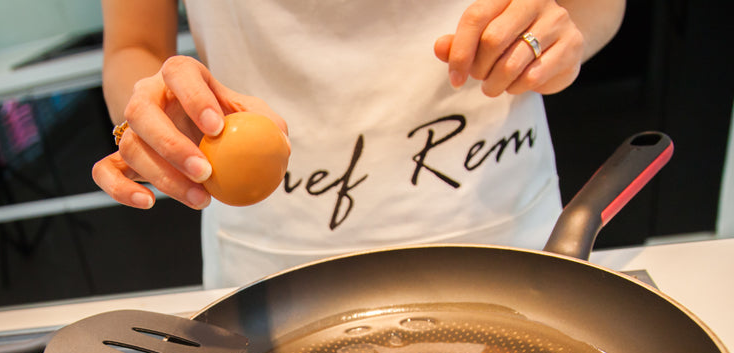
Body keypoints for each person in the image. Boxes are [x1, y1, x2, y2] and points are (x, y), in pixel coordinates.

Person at [92, 0, 626, 289]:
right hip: (274, 262)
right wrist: (152, 108)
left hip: (501, 232)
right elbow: (133, 46)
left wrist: (557, 36)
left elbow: (598, 6)